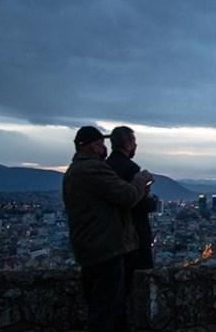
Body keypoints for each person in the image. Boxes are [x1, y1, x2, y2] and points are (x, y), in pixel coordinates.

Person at [63, 126, 153, 331]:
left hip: (86, 247)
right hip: (105, 247)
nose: (104, 148)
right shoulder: (94, 169)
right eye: (100, 144)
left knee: (100, 306)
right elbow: (128, 196)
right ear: (92, 146)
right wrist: (141, 180)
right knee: (108, 310)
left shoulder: (72, 171)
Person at [106, 126, 160, 294]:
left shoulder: (106, 167)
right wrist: (152, 201)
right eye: (134, 142)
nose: (136, 146)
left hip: (112, 234)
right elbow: (137, 202)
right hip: (134, 234)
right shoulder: (131, 169)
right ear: (128, 144)